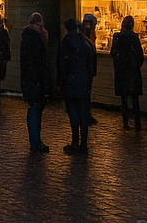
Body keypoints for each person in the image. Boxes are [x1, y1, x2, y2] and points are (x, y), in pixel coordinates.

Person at [57, 17, 95, 154]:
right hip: (83, 83)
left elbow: (62, 65)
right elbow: (90, 65)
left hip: (71, 83)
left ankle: (75, 141)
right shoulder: (85, 43)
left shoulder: (66, 43)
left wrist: (61, 82)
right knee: (83, 114)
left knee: (73, 113)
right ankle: (83, 143)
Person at [20, 11, 50, 153]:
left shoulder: (30, 37)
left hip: (33, 79)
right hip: (34, 79)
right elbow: (35, 61)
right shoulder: (33, 39)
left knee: (36, 108)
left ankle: (36, 140)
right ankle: (35, 142)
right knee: (35, 108)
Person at [110, 15, 145, 130]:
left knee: (124, 100)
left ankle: (125, 122)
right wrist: (135, 65)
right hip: (132, 72)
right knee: (135, 100)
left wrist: (119, 66)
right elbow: (139, 54)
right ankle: (137, 122)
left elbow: (113, 53)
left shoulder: (117, 37)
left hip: (121, 72)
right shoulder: (134, 37)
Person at [81, 13, 100, 125]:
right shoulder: (86, 35)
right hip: (87, 68)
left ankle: (86, 114)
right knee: (86, 92)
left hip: (88, 68)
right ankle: (85, 114)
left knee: (87, 92)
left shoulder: (87, 33)